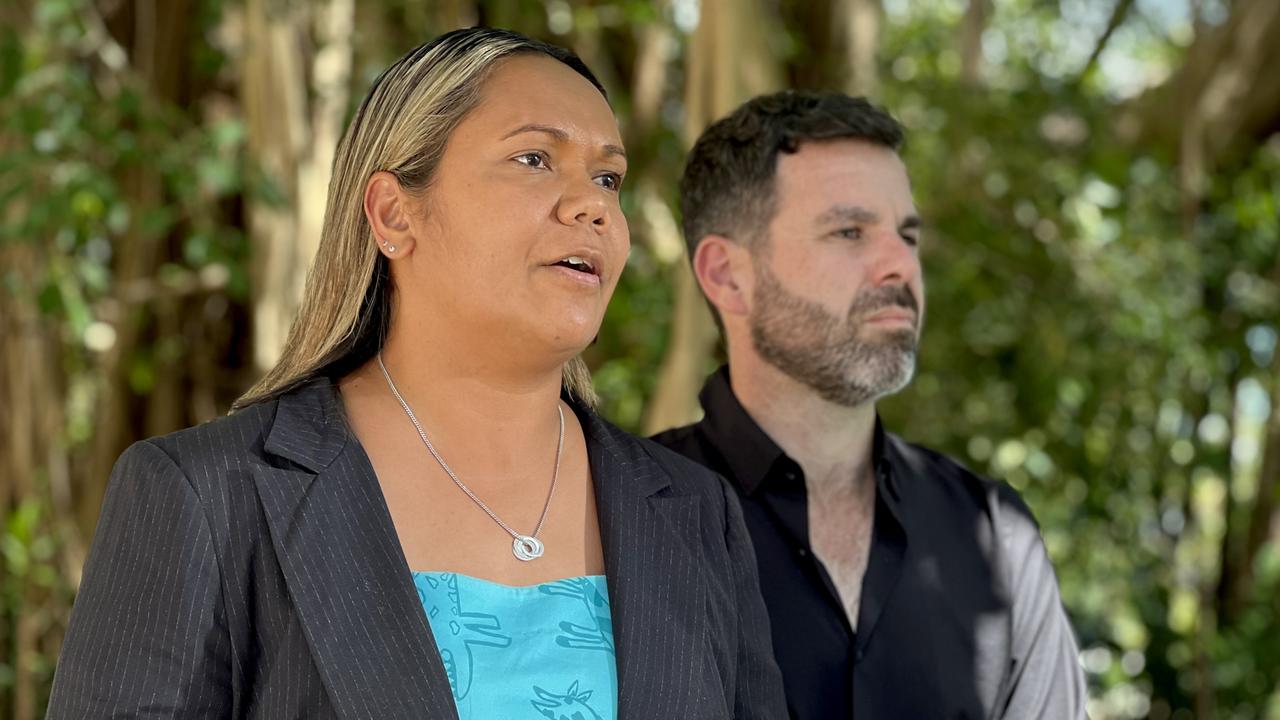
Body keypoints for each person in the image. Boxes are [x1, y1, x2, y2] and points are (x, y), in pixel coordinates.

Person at [47, 28, 785, 720]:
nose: (593, 203)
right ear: (394, 214)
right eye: (535, 159)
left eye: (609, 177)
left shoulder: (697, 515)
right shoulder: (206, 496)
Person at [652, 91, 1086, 719]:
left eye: (906, 235)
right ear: (726, 276)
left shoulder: (998, 537)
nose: (899, 265)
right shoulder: (621, 520)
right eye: (849, 231)